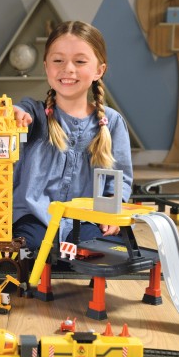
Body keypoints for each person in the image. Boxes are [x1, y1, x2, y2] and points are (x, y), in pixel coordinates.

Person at [12, 21, 133, 253]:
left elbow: (120, 179)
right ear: (46, 67)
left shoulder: (112, 122)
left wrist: (112, 212)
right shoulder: (34, 113)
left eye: (80, 61)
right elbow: (19, 110)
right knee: (32, 250)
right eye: (58, 60)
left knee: (99, 252)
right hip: (35, 215)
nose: (68, 69)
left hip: (87, 218)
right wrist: (15, 114)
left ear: (99, 70)